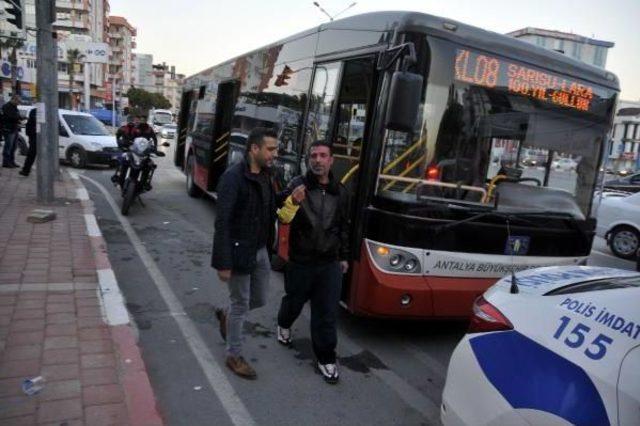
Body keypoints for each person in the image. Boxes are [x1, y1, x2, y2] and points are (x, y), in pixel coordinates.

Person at [276, 140, 350, 384]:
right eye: (313, 156)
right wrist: (293, 202)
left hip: (329, 263)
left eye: (323, 156)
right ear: (309, 160)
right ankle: (284, 323)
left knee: (326, 312)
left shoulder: (341, 191)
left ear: (331, 161)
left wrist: (344, 256)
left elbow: (343, 227)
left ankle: (326, 357)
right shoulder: (298, 185)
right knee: (294, 301)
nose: (317, 160)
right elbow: (281, 216)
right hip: (301, 260)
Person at [211, 127, 278, 380]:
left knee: (259, 298)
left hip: (260, 249)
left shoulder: (267, 175)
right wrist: (223, 262)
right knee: (241, 303)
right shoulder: (233, 178)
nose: (275, 154)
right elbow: (222, 222)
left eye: (275, 149)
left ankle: (227, 315)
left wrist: (290, 198)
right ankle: (234, 355)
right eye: (270, 149)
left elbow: (270, 207)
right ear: (254, 149)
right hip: (239, 252)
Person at [111, 116, 140, 186]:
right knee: (121, 161)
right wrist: (119, 144)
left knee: (136, 163)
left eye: (132, 121)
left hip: (133, 149)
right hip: (124, 148)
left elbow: (140, 139)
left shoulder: (137, 130)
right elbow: (117, 136)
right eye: (130, 121)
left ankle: (134, 179)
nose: (131, 122)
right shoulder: (123, 128)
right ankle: (117, 175)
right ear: (128, 121)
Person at [2, 94, 21, 168]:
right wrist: (19, 118)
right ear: (13, 99)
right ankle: (6, 162)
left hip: (14, 128)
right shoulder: (7, 107)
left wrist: (20, 118)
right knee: (8, 147)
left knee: (14, 146)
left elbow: (16, 115)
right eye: (18, 101)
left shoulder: (14, 107)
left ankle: (11, 161)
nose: (19, 103)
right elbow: (10, 117)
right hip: (8, 129)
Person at [19, 107, 37, 177]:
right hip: (34, 136)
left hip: (37, 136)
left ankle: (26, 170)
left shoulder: (47, 111)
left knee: (31, 154)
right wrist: (30, 136)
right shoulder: (34, 111)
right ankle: (26, 170)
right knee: (31, 154)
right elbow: (29, 124)